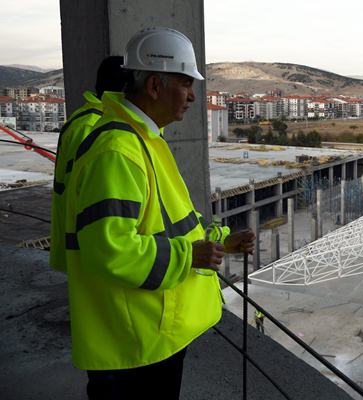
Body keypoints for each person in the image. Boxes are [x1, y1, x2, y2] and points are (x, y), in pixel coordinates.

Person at [62, 27, 255, 399]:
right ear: (154, 85)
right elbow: (110, 249)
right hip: (135, 341)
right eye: (185, 83)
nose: (192, 96)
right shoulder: (119, 150)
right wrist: (190, 256)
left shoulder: (143, 140)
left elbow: (174, 222)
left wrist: (222, 243)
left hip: (147, 331)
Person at [50, 55, 127, 272]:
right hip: (85, 248)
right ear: (125, 88)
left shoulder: (91, 119)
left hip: (84, 244)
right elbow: (89, 195)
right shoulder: (90, 127)